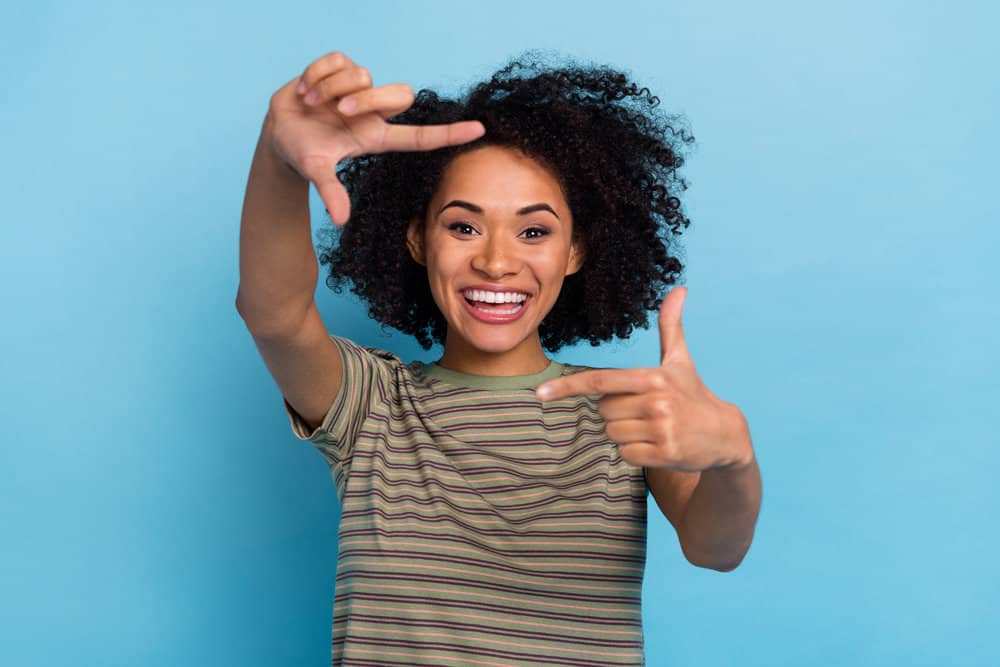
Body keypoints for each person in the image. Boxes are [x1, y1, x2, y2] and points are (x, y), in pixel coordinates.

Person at [237, 49, 762, 667]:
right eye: (463, 227)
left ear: (575, 251)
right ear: (415, 237)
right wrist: (278, 161)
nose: (495, 262)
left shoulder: (625, 409)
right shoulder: (370, 404)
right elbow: (274, 314)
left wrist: (734, 456)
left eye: (534, 231)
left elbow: (715, 548)